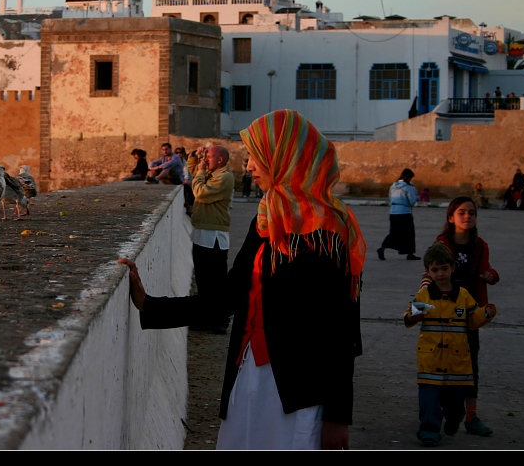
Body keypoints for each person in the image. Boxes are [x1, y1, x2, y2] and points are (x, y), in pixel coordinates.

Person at [123, 110, 365, 450]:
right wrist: (150, 305)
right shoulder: (268, 217)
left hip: (300, 392)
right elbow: (231, 294)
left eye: (256, 156)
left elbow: (340, 330)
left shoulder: (327, 232)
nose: (248, 166)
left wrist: (337, 417)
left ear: (284, 159)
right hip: (249, 375)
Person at [421, 196, 500, 437]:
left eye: (472, 213)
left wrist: (491, 275)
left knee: (469, 364)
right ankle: (443, 409)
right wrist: (423, 296)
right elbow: (430, 272)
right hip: (445, 311)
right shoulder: (443, 243)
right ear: (451, 218)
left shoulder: (480, 245)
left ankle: (471, 415)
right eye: (462, 212)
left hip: (470, 310)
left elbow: (488, 268)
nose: (467, 217)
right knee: (442, 361)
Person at [404, 242, 497, 447]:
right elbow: (409, 316)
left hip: (456, 363)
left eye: (444, 268)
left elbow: (472, 320)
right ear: (428, 272)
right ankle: (429, 430)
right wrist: (413, 317)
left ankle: (455, 418)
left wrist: (486, 313)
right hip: (430, 362)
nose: (440, 274)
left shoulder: (463, 295)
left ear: (452, 268)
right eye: (435, 270)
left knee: (454, 403)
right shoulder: (424, 295)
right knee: (429, 400)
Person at [184, 145, 233, 334]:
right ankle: (207, 318)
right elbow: (194, 170)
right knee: (205, 280)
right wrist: (195, 157)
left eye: (209, 157)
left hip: (213, 234)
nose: (206, 160)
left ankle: (218, 321)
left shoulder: (224, 177)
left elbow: (200, 192)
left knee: (215, 281)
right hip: (205, 230)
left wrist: (201, 171)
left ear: (220, 160)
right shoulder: (212, 173)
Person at [377, 168, 419, 261]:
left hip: (393, 212)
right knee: (409, 233)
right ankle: (410, 253)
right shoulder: (408, 187)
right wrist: (417, 197)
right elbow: (412, 201)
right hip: (405, 212)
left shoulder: (393, 186)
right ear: (409, 178)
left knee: (394, 233)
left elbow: (390, 197)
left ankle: (382, 248)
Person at [175, 147, 195, 215]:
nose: (179, 154)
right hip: (180, 180)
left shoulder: (184, 162)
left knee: (188, 190)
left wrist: (186, 179)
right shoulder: (174, 161)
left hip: (187, 180)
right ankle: (188, 207)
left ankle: (189, 207)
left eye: (180, 153)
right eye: (177, 153)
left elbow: (185, 171)